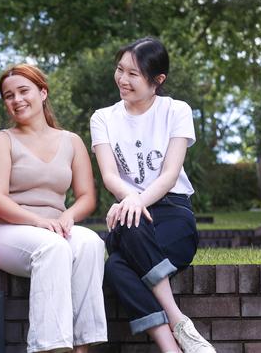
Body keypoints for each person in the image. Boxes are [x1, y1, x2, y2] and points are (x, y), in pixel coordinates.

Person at [90, 37, 215, 353]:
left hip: (172, 211)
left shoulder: (176, 110)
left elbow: (170, 174)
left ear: (157, 80)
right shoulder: (103, 118)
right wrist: (130, 200)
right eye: (120, 70)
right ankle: (178, 330)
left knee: (117, 266)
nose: (123, 80)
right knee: (129, 229)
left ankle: (172, 339)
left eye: (134, 74)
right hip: (130, 212)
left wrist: (134, 202)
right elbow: (109, 175)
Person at [0, 64, 108, 353]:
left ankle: (82, 347)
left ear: (43, 92)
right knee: (54, 249)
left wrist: (69, 215)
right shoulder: (3, 140)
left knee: (90, 242)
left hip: (55, 228)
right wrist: (38, 221)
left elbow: (87, 196)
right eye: (8, 95)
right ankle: (49, 348)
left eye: (23, 91)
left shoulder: (71, 141)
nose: (16, 100)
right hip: (7, 232)